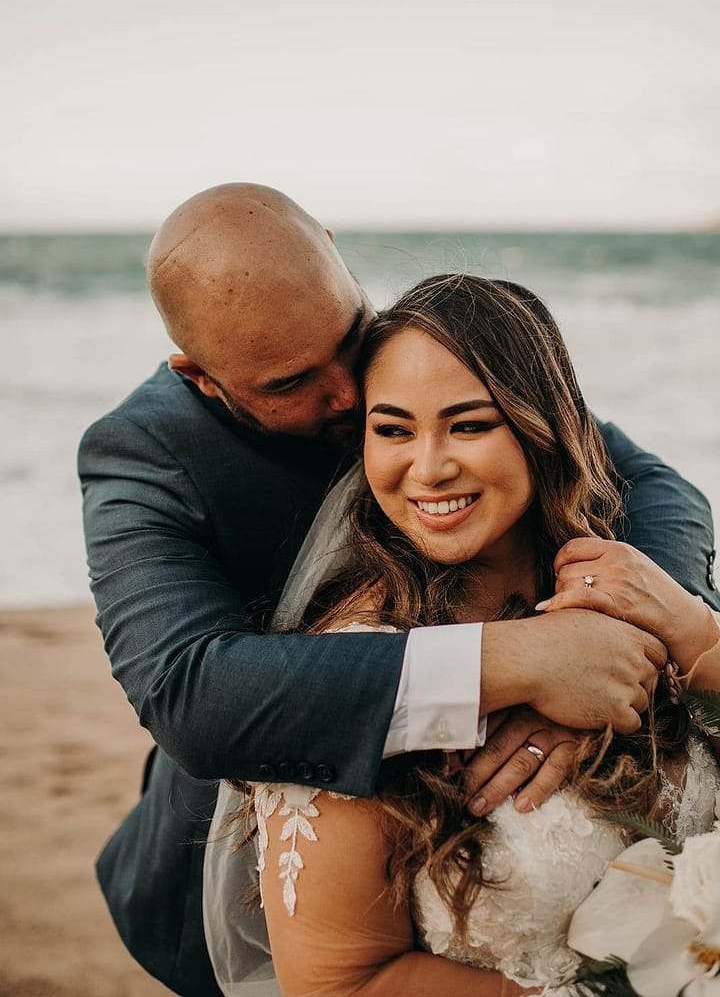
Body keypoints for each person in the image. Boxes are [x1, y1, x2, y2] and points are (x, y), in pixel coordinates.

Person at [78, 184, 719, 996]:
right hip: (251, 854)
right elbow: (192, 695)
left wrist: (622, 625)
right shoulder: (142, 454)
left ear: (337, 258)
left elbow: (656, 487)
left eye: (348, 335)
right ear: (201, 379)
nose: (350, 393)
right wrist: (520, 660)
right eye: (291, 384)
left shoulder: (416, 353)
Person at [215, 274, 720, 996]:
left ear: (545, 425)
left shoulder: (629, 592)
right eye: (393, 430)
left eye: (470, 425)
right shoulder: (345, 679)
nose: (428, 468)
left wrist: (692, 630)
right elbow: (340, 984)